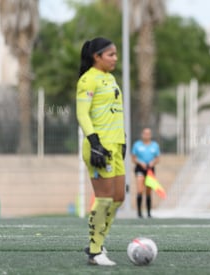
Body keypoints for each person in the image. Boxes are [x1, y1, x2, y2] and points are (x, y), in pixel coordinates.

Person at [76, 37, 126, 266]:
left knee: (118, 197)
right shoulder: (88, 80)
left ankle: (97, 242)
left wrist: (123, 140)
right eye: (111, 55)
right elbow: (82, 114)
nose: (115, 58)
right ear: (97, 57)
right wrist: (95, 143)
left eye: (116, 54)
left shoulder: (110, 78)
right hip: (99, 148)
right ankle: (95, 252)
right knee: (104, 199)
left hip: (115, 146)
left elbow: (115, 111)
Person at [131, 128, 160, 218]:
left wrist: (152, 163)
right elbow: (133, 158)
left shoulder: (155, 145)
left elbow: (157, 158)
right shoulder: (137, 145)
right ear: (142, 134)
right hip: (140, 168)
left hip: (150, 169)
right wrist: (140, 162)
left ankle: (148, 213)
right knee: (140, 190)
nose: (146, 135)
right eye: (145, 133)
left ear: (150, 135)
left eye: (148, 134)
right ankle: (139, 213)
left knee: (148, 191)